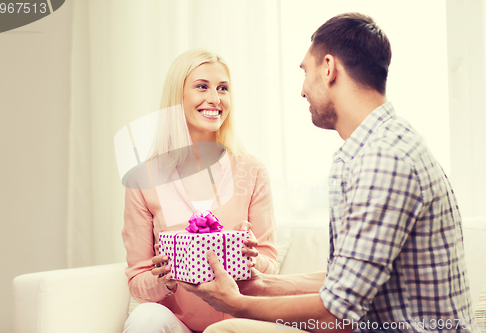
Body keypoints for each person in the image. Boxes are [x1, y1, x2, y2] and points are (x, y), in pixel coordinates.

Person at [180, 13, 477, 333]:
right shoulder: (376, 147)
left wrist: (237, 304)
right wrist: (258, 285)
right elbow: (345, 280)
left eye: (305, 71)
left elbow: (338, 312)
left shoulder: (384, 160)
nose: (303, 90)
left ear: (329, 68)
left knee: (226, 329)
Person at [121, 49, 278, 333]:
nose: (215, 99)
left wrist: (253, 260)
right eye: (202, 87)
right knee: (146, 319)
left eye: (223, 89)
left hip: (237, 322)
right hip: (177, 324)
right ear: (177, 96)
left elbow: (271, 266)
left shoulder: (252, 171)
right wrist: (163, 279)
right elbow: (137, 283)